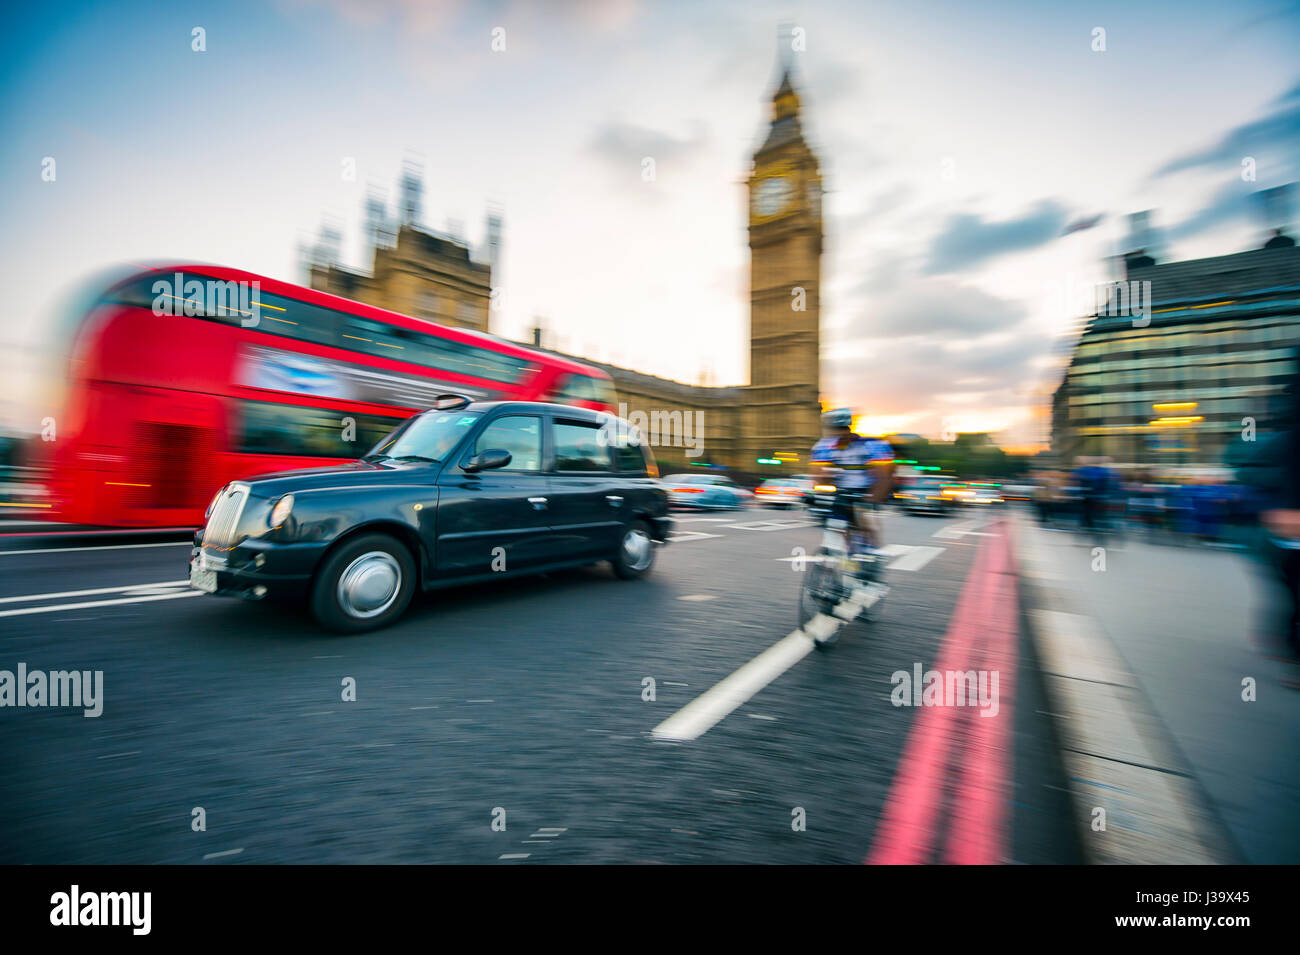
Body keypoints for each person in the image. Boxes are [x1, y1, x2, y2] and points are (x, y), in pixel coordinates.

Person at [810, 408, 895, 576]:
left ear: (849, 429)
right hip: (842, 490)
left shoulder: (870, 445)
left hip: (867, 488)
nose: (838, 435)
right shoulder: (823, 446)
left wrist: (872, 499)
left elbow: (884, 477)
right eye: (833, 431)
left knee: (865, 520)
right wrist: (823, 483)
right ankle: (849, 566)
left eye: (842, 430)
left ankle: (872, 555)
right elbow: (817, 475)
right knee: (840, 529)